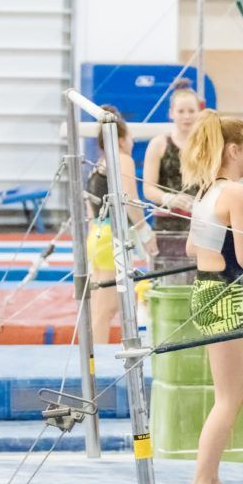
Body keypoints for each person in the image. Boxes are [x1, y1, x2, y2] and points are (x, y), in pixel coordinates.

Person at [180, 111, 243, 484]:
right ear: (233, 149)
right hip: (222, 296)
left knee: (238, 390)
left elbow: (191, 249)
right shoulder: (235, 192)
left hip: (210, 290)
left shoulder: (206, 190)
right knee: (231, 396)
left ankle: (211, 479)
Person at [85, 106, 158, 343]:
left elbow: (89, 209)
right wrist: (145, 232)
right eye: (132, 140)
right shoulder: (121, 159)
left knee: (99, 307)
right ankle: (95, 363)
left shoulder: (98, 164)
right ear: (122, 139)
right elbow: (130, 201)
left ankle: (93, 359)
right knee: (106, 309)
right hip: (112, 237)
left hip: (97, 234)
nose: (132, 144)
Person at [142, 81, 201, 283]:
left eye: (191, 111)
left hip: (199, 223)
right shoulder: (159, 144)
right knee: (168, 283)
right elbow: (148, 188)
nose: (186, 116)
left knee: (197, 282)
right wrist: (169, 198)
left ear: (199, 112)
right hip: (167, 225)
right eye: (181, 111)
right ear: (171, 113)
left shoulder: (206, 145)